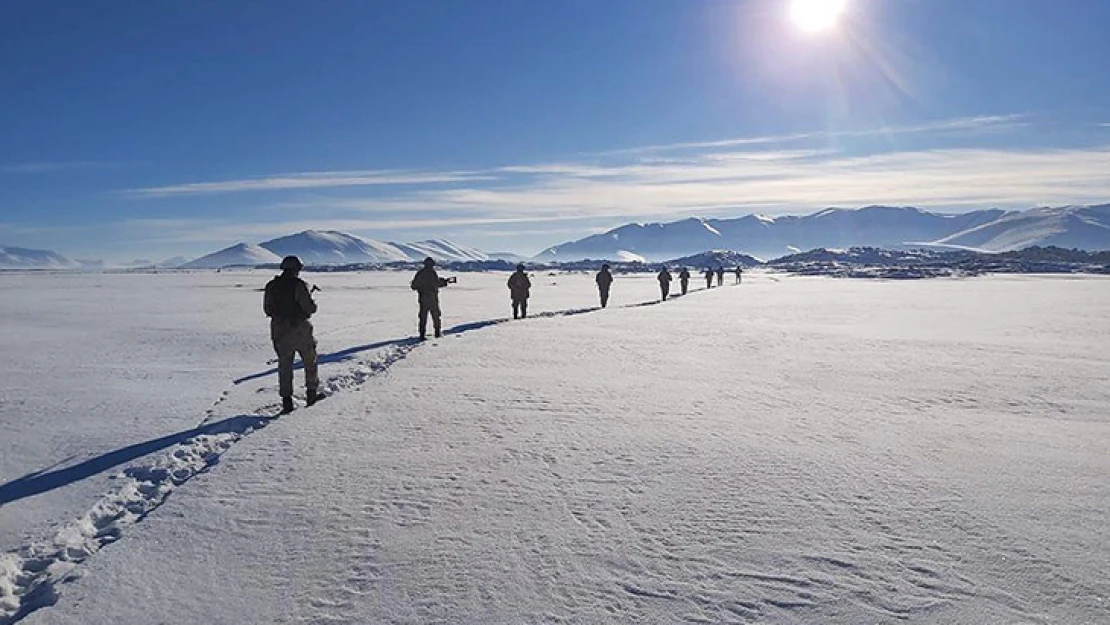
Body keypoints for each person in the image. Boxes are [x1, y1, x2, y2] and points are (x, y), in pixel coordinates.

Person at [263, 255, 321, 413]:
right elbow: (309, 308)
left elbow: (267, 309)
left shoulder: (271, 285)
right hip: (300, 329)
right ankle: (311, 396)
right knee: (310, 362)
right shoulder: (299, 285)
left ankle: (286, 402)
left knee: (285, 366)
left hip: (279, 330)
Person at [411, 257, 451, 339]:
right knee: (435, 316)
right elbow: (436, 283)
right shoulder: (432, 273)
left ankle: (422, 334)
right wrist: (444, 282)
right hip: (432, 299)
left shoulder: (420, 273)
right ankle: (437, 333)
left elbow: (414, 286)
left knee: (423, 317)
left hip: (423, 299)